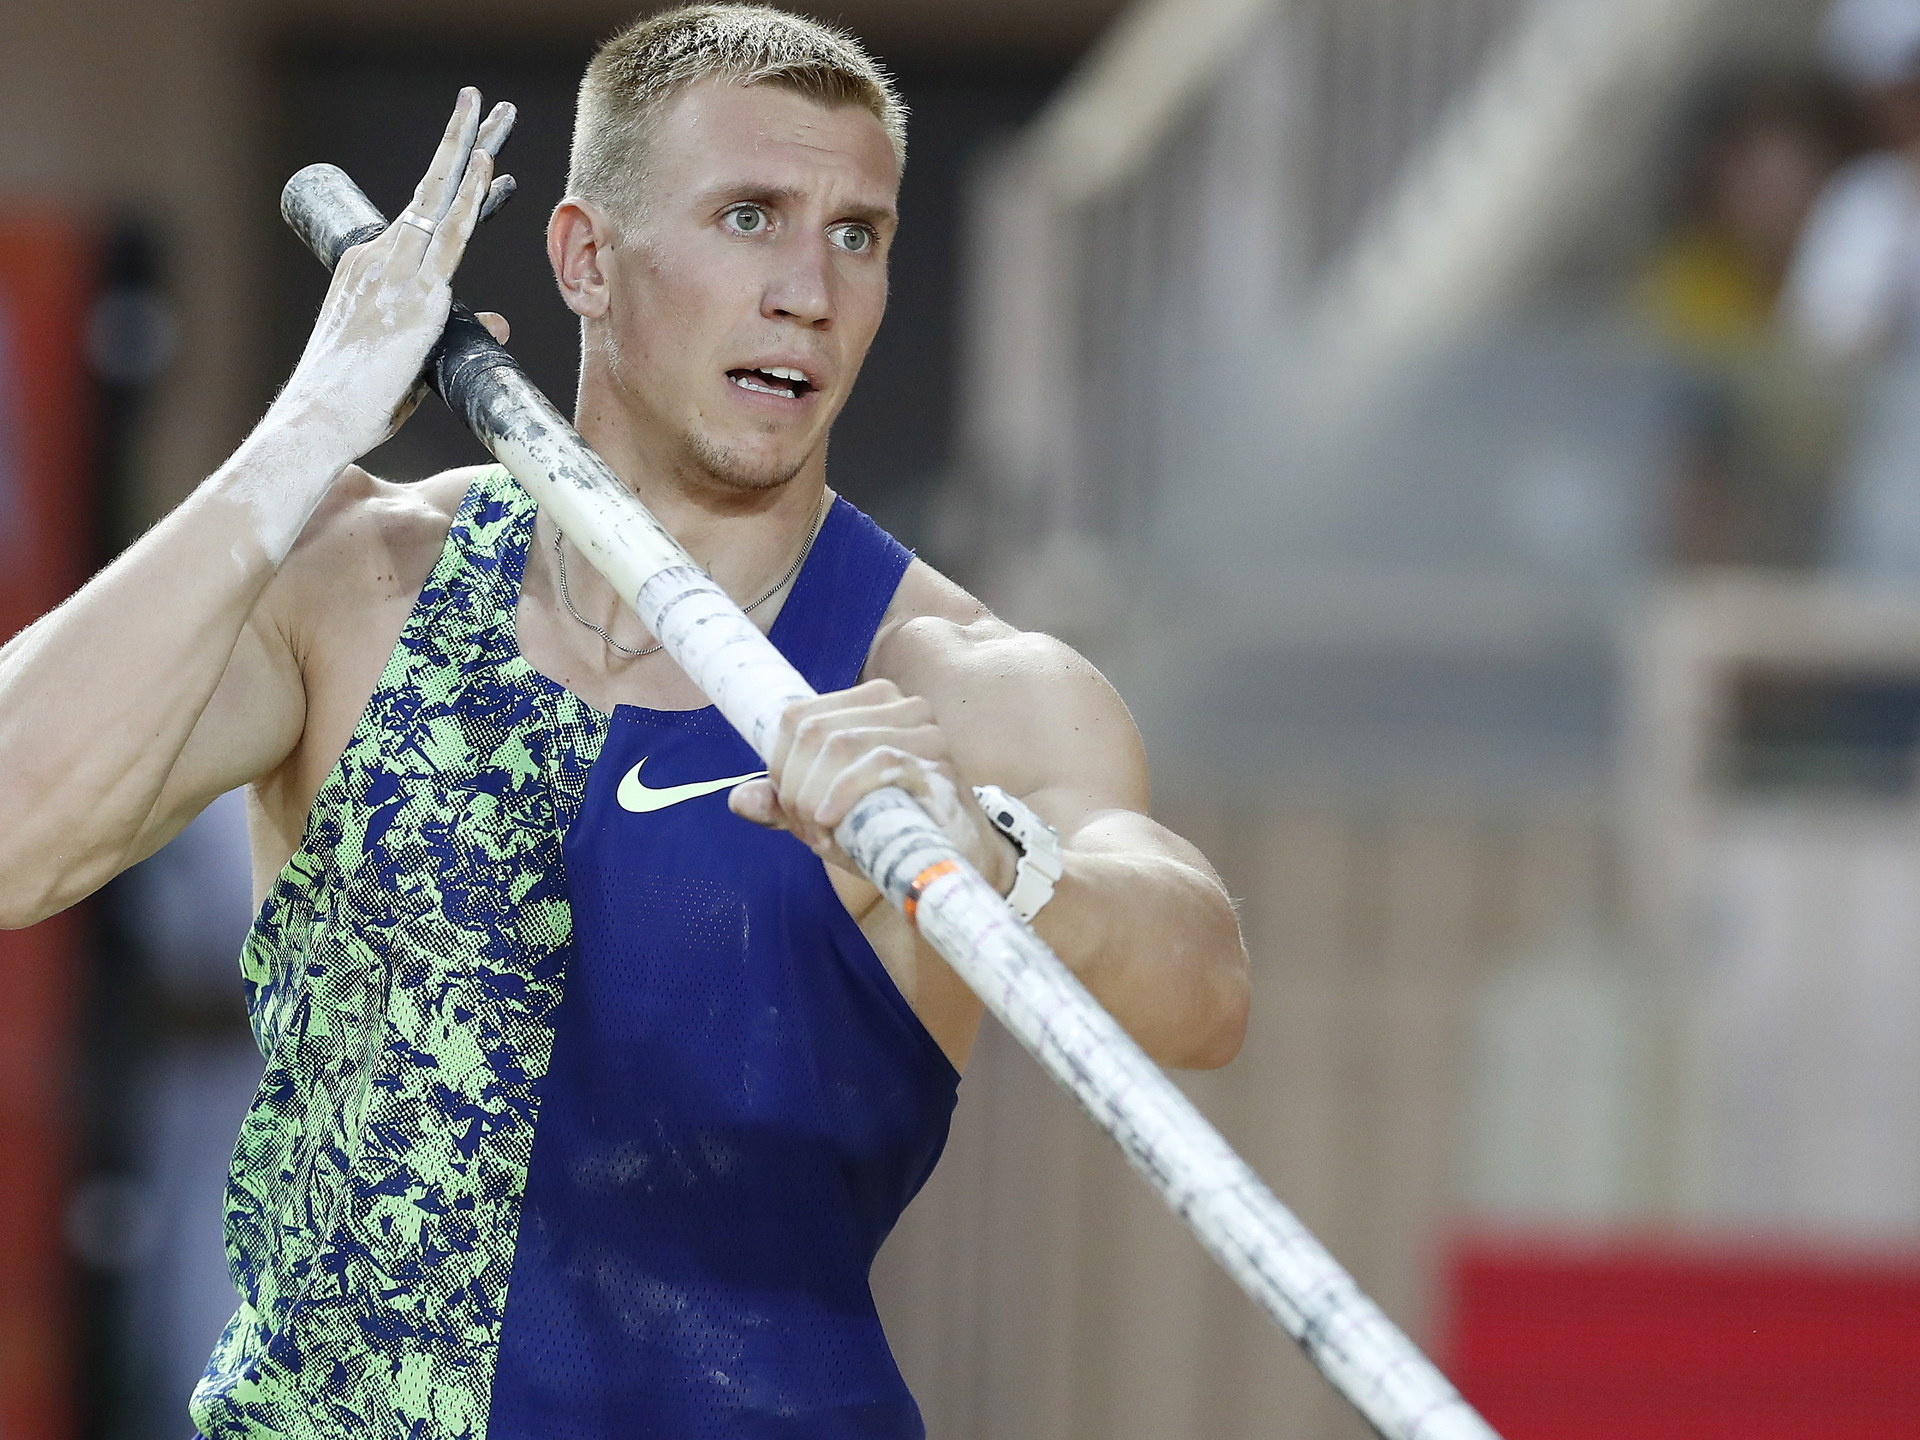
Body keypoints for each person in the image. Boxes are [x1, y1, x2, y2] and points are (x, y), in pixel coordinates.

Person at [0, 7, 1249, 1438]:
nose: (809, 291)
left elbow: (1200, 981)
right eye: (750, 217)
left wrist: (998, 856)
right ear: (588, 258)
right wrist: (301, 435)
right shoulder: (357, 587)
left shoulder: (950, 687)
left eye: (858, 234)